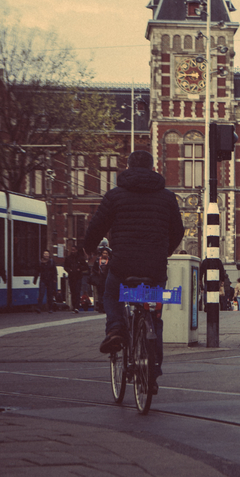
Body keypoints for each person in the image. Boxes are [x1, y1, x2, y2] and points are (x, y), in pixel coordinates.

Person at [83, 149, 184, 395]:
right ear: (152, 168)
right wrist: (165, 251)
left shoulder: (114, 196)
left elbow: (97, 226)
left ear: (128, 167)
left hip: (123, 265)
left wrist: (89, 250)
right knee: (155, 317)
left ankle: (116, 328)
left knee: (110, 292)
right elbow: (178, 231)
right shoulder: (167, 197)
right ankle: (154, 370)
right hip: (155, 268)